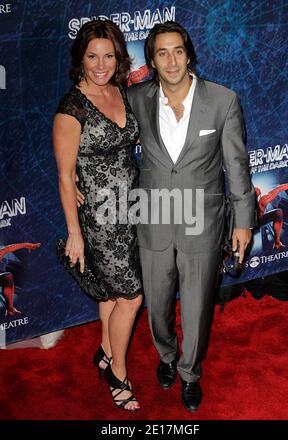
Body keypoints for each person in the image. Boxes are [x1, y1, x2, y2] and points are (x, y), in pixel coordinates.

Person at [76, 21, 256, 412]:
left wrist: (244, 220)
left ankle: (190, 373)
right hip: (152, 219)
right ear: (152, 61)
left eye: (178, 51)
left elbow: (237, 165)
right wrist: (74, 176)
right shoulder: (135, 98)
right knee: (156, 305)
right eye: (161, 52)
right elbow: (96, 129)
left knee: (196, 305)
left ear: (189, 54)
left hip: (202, 222)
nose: (171, 60)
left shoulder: (223, 101)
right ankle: (167, 356)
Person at [53, 19, 143, 412]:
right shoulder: (71, 109)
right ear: (81, 60)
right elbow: (65, 176)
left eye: (108, 55)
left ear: (118, 58)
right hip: (101, 220)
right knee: (131, 296)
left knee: (110, 291)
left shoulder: (121, 91)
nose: (101, 64)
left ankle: (106, 351)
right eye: (92, 56)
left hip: (132, 208)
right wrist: (75, 232)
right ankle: (118, 374)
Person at [255, 183, 288, 249]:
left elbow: (280, 188)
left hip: (257, 221)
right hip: (243, 225)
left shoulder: (263, 200)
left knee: (278, 212)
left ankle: (277, 242)